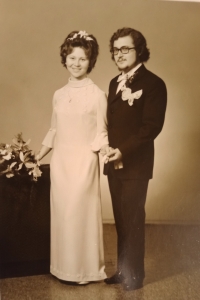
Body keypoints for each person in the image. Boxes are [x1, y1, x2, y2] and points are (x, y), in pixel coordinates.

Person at [36, 30, 108, 285]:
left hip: (84, 162)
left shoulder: (97, 95)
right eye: (72, 57)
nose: (76, 63)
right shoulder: (58, 94)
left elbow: (101, 133)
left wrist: (106, 153)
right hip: (61, 163)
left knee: (80, 214)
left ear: (91, 62)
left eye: (82, 59)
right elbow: (54, 130)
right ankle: (63, 268)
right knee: (64, 215)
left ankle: (84, 271)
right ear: (64, 58)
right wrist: (36, 157)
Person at [103, 27, 167, 291]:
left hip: (136, 165)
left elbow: (151, 127)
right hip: (113, 164)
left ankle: (135, 275)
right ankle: (122, 269)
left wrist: (123, 151)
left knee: (133, 217)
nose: (119, 54)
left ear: (139, 50)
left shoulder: (153, 84)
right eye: (116, 50)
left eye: (125, 49)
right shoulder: (113, 82)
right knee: (120, 218)